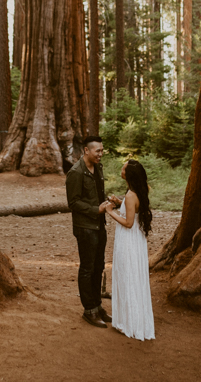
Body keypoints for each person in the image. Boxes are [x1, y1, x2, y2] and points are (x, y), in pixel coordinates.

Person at [104, 159, 155, 341]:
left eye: (123, 167)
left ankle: (130, 322)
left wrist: (110, 211)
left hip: (129, 240)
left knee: (128, 276)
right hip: (136, 239)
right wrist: (120, 202)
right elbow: (132, 210)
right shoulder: (137, 191)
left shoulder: (132, 195)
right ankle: (131, 319)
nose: (121, 169)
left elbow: (128, 222)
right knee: (132, 276)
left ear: (129, 174)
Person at [65, 136, 112, 328]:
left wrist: (109, 202)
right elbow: (73, 203)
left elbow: (97, 195)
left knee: (99, 266)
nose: (100, 154)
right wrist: (95, 210)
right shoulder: (76, 173)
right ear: (86, 150)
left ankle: (98, 305)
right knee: (87, 268)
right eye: (97, 151)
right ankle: (89, 310)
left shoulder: (98, 168)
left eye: (102, 150)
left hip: (99, 225)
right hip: (85, 228)